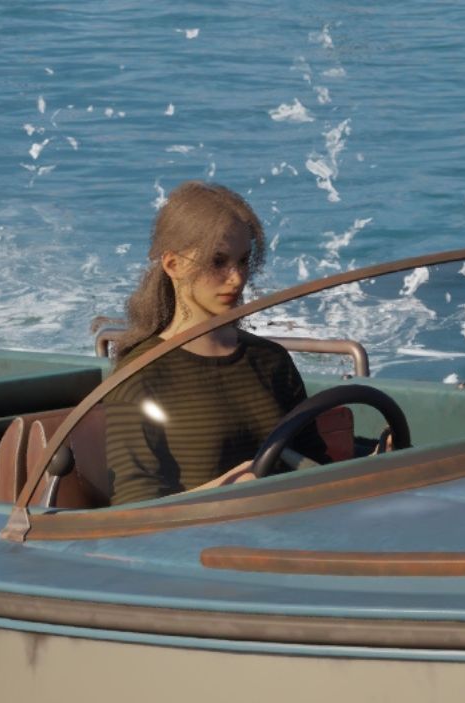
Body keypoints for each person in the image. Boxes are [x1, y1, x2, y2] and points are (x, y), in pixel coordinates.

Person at [104, 182, 320, 505]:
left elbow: (315, 460)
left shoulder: (272, 361)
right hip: (199, 546)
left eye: (243, 260)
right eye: (218, 262)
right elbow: (136, 506)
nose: (237, 278)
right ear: (172, 265)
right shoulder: (139, 376)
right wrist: (229, 486)